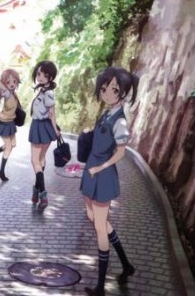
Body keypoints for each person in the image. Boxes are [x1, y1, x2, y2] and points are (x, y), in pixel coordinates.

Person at [80, 66, 138, 296]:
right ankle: (126, 266)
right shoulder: (106, 114)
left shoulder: (120, 121)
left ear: (122, 93)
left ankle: (101, 287)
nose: (106, 92)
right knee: (96, 218)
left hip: (102, 174)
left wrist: (101, 167)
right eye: (104, 88)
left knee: (100, 227)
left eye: (113, 89)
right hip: (92, 168)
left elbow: (121, 152)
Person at [27, 60, 59, 211]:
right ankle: (36, 191)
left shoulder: (48, 93)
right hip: (44, 127)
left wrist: (55, 129)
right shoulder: (43, 90)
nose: (40, 77)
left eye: (44, 75)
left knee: (35, 161)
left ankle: (43, 195)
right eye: (39, 74)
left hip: (40, 126)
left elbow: (52, 113)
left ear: (50, 77)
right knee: (40, 160)